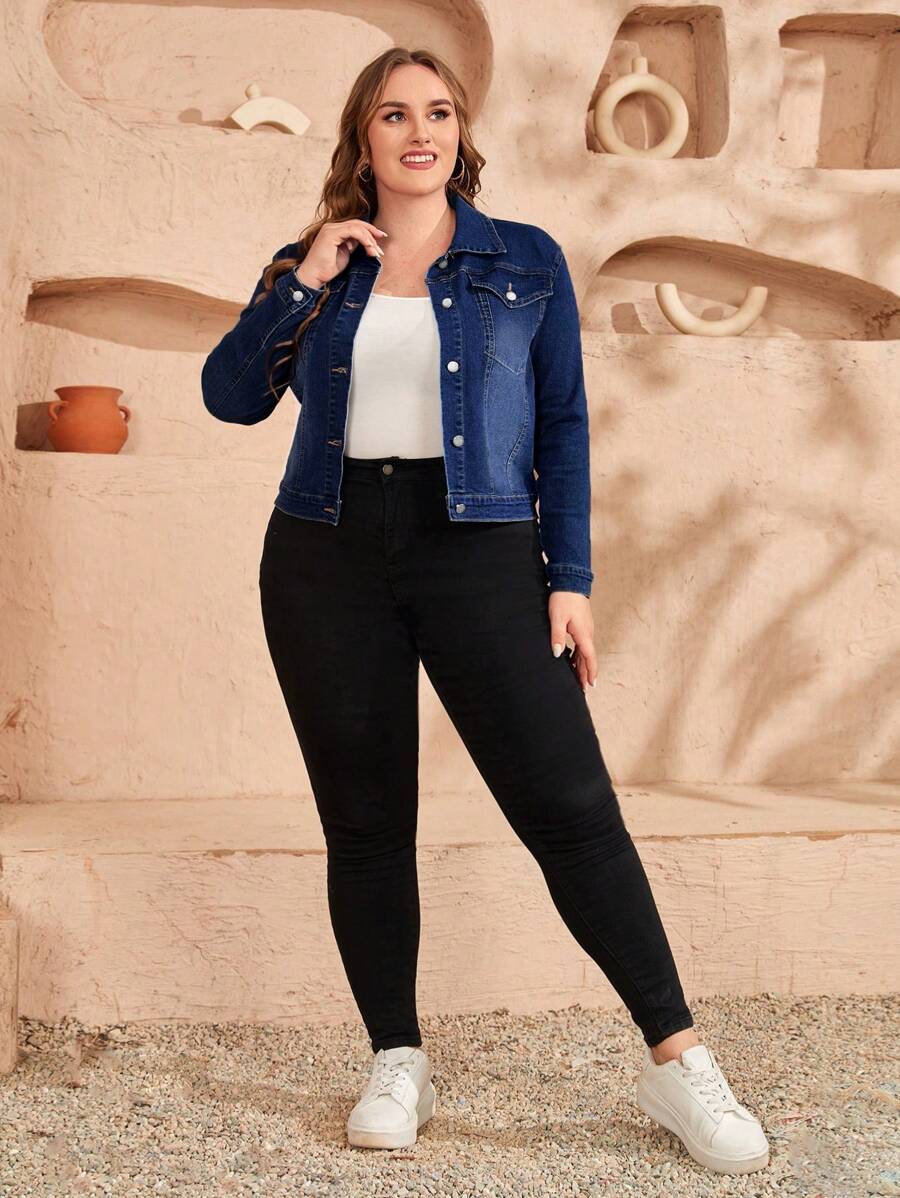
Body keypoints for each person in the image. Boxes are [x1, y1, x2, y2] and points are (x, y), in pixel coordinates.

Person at [201, 46, 769, 1176]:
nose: (420, 131)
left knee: (570, 807)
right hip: (324, 553)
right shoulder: (316, 264)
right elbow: (228, 397)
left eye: (439, 112)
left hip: (483, 548)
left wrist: (571, 578)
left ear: (461, 132)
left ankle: (680, 1061)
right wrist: (304, 278)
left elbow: (562, 423)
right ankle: (396, 1056)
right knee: (366, 820)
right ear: (363, 139)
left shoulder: (525, 260)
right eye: (394, 115)